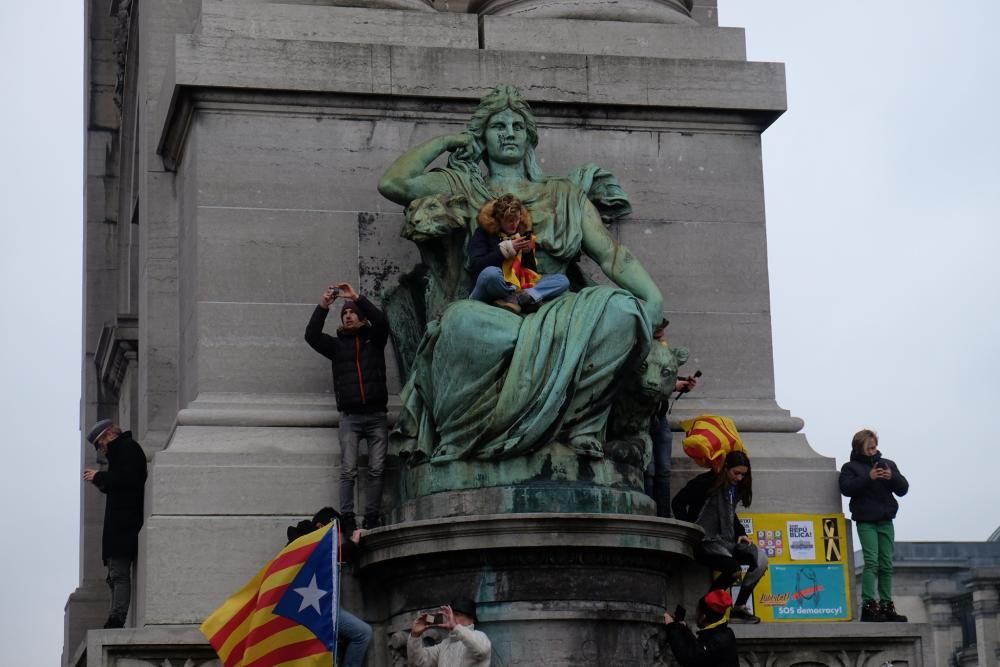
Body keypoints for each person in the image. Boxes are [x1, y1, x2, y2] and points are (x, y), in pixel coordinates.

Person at [379, 84, 664, 462]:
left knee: (623, 310)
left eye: (517, 126)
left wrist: (653, 297)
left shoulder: (565, 195)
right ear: (482, 137)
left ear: (530, 138)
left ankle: (580, 425)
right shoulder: (463, 185)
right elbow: (393, 183)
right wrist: (449, 141)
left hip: (555, 308)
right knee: (461, 322)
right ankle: (470, 434)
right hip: (492, 307)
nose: (509, 132)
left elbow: (612, 257)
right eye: (498, 126)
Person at [305, 282, 389, 530]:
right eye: (345, 314)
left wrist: (357, 297)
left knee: (376, 469)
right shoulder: (336, 346)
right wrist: (324, 305)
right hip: (350, 417)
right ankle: (349, 518)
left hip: (376, 416)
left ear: (360, 316)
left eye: (352, 312)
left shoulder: (374, 340)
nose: (348, 316)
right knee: (348, 470)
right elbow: (311, 335)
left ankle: (371, 518)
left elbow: (382, 322)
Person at [672, 450, 767, 623]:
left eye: (743, 475)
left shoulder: (733, 489)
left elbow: (730, 513)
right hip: (705, 542)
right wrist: (689, 531)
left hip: (728, 540)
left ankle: (739, 608)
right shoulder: (703, 483)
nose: (739, 478)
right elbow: (677, 502)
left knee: (761, 560)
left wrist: (741, 534)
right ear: (725, 469)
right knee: (734, 571)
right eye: (736, 473)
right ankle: (705, 607)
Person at [839, 428, 909, 622]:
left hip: (886, 520)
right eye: (869, 447)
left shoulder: (888, 465)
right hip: (866, 521)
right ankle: (869, 605)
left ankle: (887, 605)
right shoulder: (850, 467)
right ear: (859, 447)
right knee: (872, 562)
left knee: (886, 564)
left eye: (874, 446)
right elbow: (846, 488)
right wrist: (868, 477)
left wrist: (891, 477)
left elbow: (903, 488)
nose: (873, 450)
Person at [287, 507, 373, 666]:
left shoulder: (303, 545)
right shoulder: (308, 544)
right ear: (321, 527)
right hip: (318, 609)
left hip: (317, 608)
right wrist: (353, 544)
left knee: (337, 647)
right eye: (338, 534)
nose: (339, 540)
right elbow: (327, 555)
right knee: (363, 633)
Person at [83, 419, 148, 629]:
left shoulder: (128, 449)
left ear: (110, 434)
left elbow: (128, 481)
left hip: (124, 526)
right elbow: (120, 483)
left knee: (119, 575)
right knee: (114, 576)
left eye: (101, 442)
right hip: (120, 526)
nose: (102, 448)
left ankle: (116, 619)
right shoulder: (122, 452)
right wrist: (101, 480)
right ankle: (115, 616)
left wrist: (100, 476)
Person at [468, 193, 570, 314]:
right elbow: (476, 265)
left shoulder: (521, 235)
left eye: (517, 219)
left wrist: (527, 253)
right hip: (490, 289)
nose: (514, 224)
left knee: (562, 280)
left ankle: (518, 299)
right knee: (490, 273)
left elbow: (530, 273)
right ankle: (525, 299)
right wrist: (507, 249)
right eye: (509, 220)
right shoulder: (483, 233)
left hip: (519, 289)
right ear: (499, 219)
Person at [645, 318, 698, 517]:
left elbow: (665, 378)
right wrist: (674, 385)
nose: (662, 331)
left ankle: (663, 516)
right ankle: (647, 514)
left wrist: (681, 384)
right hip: (642, 418)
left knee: (664, 470)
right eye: (658, 327)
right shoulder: (641, 349)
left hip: (659, 417)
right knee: (648, 470)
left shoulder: (664, 350)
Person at [662, 589, 739, 667]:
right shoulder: (723, 631)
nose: (696, 615)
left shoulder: (717, 641)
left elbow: (688, 658)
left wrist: (672, 627)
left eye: (697, 611)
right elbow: (698, 647)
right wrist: (685, 629)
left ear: (703, 616)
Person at [407, 596, 491, 667]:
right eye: (451, 615)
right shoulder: (444, 645)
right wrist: (415, 635)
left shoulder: (480, 636)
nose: (451, 618)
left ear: (471, 619)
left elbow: (482, 650)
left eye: (457, 615)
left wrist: (455, 627)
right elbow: (417, 662)